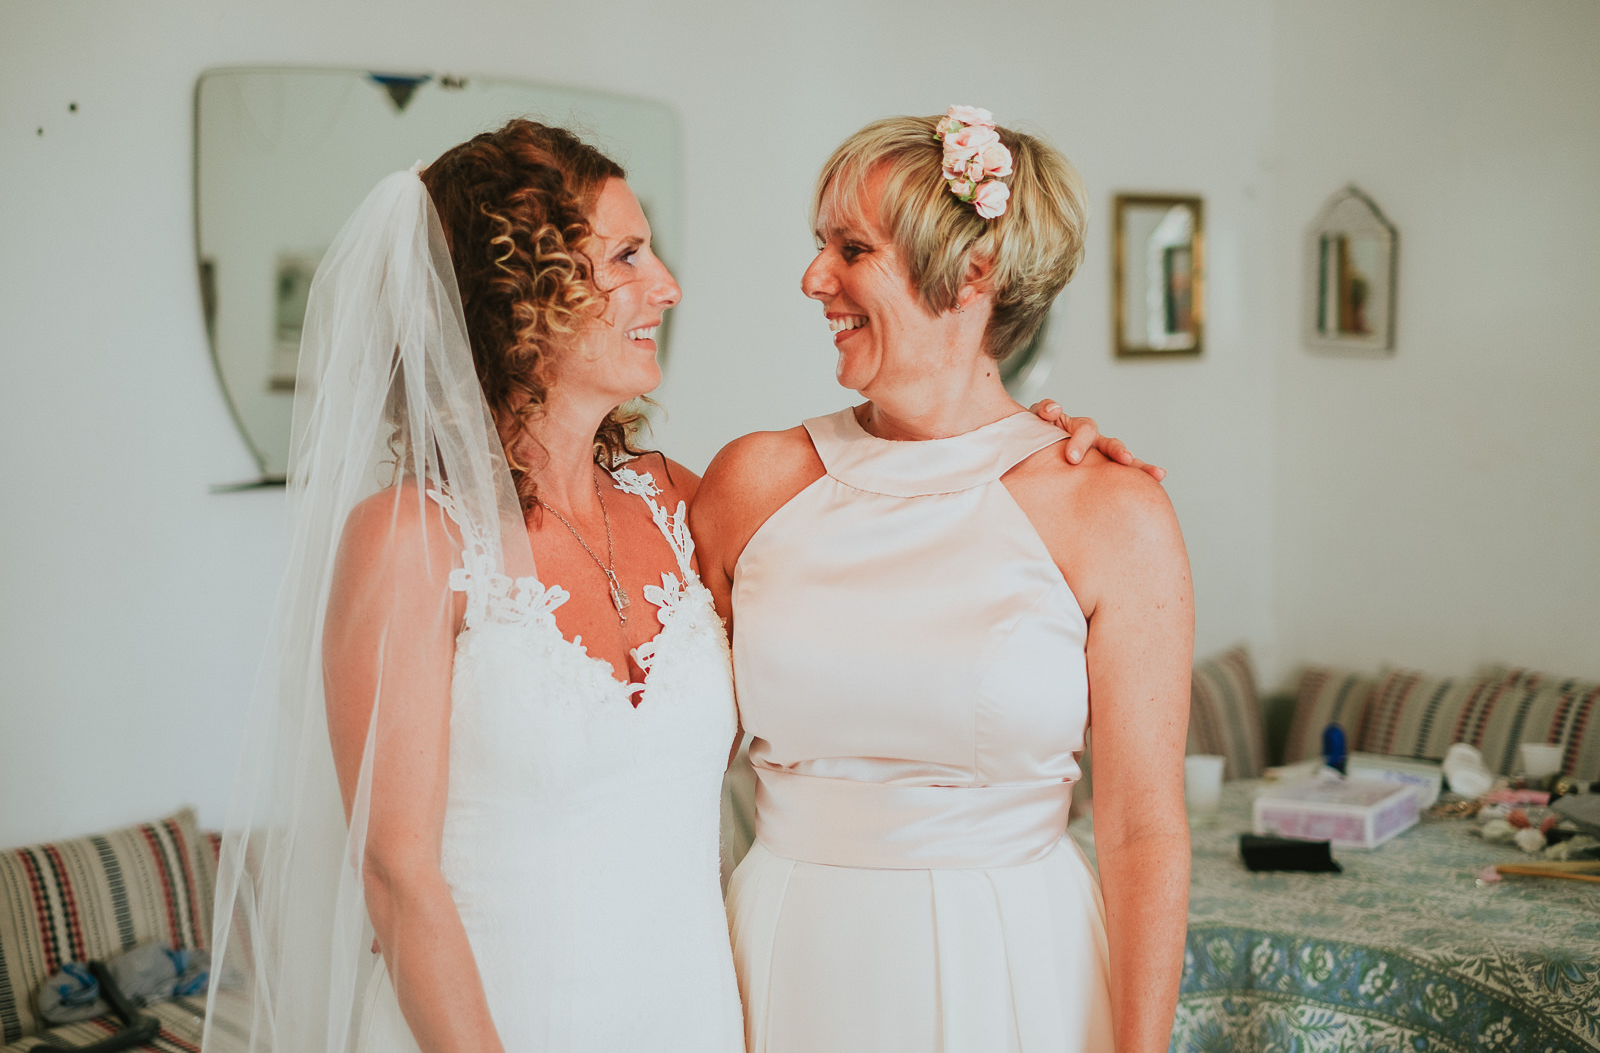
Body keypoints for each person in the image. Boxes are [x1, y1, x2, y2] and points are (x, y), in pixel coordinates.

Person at [203, 117, 1144, 1053]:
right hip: (494, 1020)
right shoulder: (408, 538)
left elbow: (884, 584)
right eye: (625, 257)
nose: (667, 286)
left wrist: (1022, 445)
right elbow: (396, 874)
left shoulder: (675, 505)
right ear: (515, 294)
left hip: (694, 1012)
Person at [695, 107, 1193, 1052]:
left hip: (1009, 961)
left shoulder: (1110, 512)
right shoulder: (752, 484)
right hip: (784, 955)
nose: (814, 280)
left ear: (971, 273)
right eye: (819, 245)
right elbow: (663, 754)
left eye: (852, 248)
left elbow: (1142, 830)